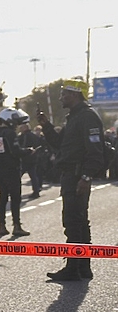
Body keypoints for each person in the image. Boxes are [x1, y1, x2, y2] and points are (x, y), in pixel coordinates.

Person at [39, 79, 107, 281]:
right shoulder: (74, 117)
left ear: (75, 95)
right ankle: (82, 267)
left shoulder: (87, 117)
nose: (61, 97)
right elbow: (61, 144)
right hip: (71, 175)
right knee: (78, 222)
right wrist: (46, 126)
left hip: (78, 176)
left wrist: (85, 177)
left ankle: (74, 267)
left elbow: (96, 152)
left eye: (64, 94)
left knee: (74, 223)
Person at [0, 108, 32, 238]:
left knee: (2, 197)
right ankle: (17, 226)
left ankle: (2, 226)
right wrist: (28, 151)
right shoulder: (9, 134)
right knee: (15, 198)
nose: (17, 125)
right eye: (15, 121)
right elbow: (15, 151)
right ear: (8, 120)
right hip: (11, 170)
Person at [17, 122, 46, 198]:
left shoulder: (24, 136)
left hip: (25, 158)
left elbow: (22, 146)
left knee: (18, 176)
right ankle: (36, 191)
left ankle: (15, 191)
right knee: (33, 175)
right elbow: (40, 146)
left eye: (21, 127)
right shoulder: (34, 136)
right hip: (33, 158)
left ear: (25, 128)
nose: (20, 129)